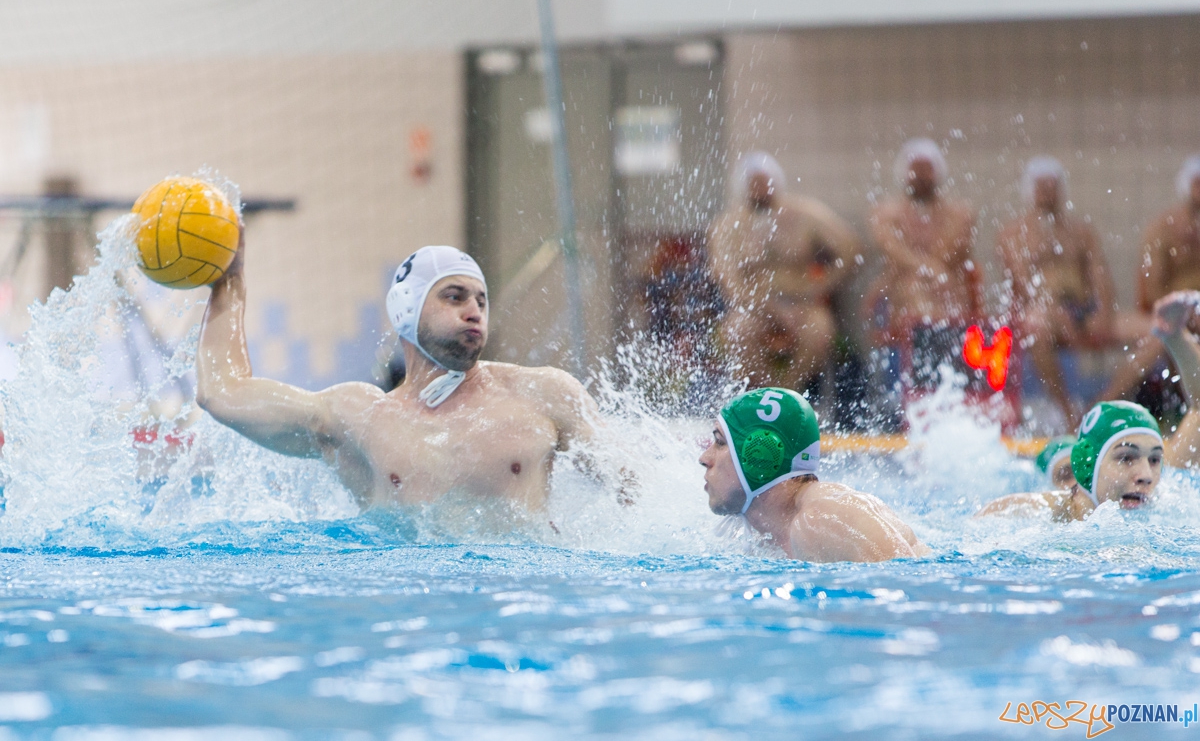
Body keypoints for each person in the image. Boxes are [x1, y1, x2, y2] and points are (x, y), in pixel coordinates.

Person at [196, 237, 608, 512]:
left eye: (481, 300)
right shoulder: (360, 418)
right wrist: (229, 281)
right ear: (406, 311)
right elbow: (222, 393)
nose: (474, 310)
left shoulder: (544, 394)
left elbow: (637, 497)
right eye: (454, 296)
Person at [977, 291, 1200, 521]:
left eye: (1154, 459)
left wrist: (1176, 337)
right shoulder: (1052, 515)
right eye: (1065, 475)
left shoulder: (1157, 486)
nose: (1145, 475)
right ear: (1086, 469)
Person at [699, 387, 928, 562]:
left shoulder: (824, 519)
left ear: (760, 457)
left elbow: (911, 598)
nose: (704, 458)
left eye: (720, 442)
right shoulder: (752, 532)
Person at [708, 152, 859, 393]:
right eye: (753, 182)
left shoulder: (803, 215)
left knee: (820, 329)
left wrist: (823, 285)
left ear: (776, 183)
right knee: (737, 331)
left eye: (764, 181)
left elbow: (849, 246)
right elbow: (729, 281)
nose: (759, 188)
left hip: (802, 303)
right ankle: (764, 393)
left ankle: (789, 391)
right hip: (755, 307)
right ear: (743, 187)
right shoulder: (728, 226)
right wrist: (772, 309)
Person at [999, 156, 1117, 427]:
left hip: (1082, 312)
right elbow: (1022, 281)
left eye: (1053, 186)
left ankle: (1101, 403)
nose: (1047, 193)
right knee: (1037, 328)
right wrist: (1054, 311)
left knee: (1154, 333)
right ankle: (1068, 412)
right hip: (1043, 314)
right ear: (1029, 191)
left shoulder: (1080, 232)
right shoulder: (1014, 234)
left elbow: (1101, 276)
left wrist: (1105, 314)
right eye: (1041, 187)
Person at [867, 138, 979, 387]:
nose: (920, 176)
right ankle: (925, 384)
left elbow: (951, 249)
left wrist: (931, 271)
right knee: (915, 288)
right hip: (904, 296)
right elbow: (892, 249)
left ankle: (946, 382)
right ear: (903, 173)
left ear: (938, 173)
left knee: (937, 287)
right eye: (915, 170)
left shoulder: (959, 213)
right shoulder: (886, 213)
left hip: (948, 291)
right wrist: (928, 269)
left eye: (926, 170)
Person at [1101, 155, 1200, 403]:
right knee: (1158, 337)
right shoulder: (1164, 230)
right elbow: (1153, 291)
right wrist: (1184, 311)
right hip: (1172, 311)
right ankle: (1102, 406)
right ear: (1186, 186)